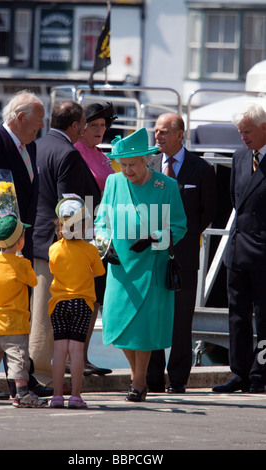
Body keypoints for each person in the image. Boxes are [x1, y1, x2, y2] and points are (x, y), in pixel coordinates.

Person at [0, 90, 52, 401]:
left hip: (20, 249)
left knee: (19, 315)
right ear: (19, 118)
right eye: (38, 120)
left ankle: (21, 380)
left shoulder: (29, 148)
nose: (40, 127)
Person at [94, 128, 187, 402]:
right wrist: (105, 244)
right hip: (120, 266)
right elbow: (101, 222)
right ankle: (140, 376)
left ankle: (137, 381)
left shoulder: (166, 186)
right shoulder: (113, 182)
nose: (127, 170)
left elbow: (179, 226)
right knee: (118, 325)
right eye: (123, 165)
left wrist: (154, 239)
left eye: (132, 165)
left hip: (151, 265)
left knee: (143, 328)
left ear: (146, 161)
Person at [30, 101, 102, 387]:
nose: (84, 129)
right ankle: (41, 378)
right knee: (45, 319)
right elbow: (68, 207)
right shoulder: (68, 154)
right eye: (83, 124)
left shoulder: (37, 146)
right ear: (74, 126)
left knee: (34, 313)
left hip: (33, 240)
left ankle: (27, 376)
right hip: (55, 248)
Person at [146, 113, 217, 393]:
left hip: (184, 255)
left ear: (179, 134)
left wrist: (181, 237)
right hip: (151, 254)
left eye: (164, 132)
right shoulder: (148, 165)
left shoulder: (202, 169)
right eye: (156, 131)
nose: (158, 136)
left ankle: (177, 379)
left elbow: (207, 212)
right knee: (152, 316)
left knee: (180, 319)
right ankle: (151, 378)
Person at [213, 103, 266, 394]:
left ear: (263, 128)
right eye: (240, 132)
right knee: (237, 315)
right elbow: (237, 203)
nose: (243, 137)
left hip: (263, 252)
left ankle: (261, 373)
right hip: (239, 249)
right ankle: (239, 373)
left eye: (247, 132)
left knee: (265, 318)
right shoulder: (240, 157)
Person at [0, 215, 47, 408]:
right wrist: (23, 261)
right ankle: (21, 392)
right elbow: (33, 281)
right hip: (15, 324)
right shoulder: (22, 264)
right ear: (20, 241)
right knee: (17, 359)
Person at [49, 196, 105, 409]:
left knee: (59, 351)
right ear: (83, 226)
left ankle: (56, 396)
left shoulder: (54, 249)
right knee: (77, 351)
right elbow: (99, 273)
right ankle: (75, 396)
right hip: (82, 304)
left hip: (59, 304)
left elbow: (54, 269)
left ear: (60, 225)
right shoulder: (90, 250)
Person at [74, 101, 116, 376]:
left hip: (103, 237)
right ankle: (72, 358)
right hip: (80, 237)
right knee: (81, 299)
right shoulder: (74, 153)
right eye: (94, 125)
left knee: (95, 300)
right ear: (81, 127)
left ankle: (84, 357)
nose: (101, 130)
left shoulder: (102, 155)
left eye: (104, 125)